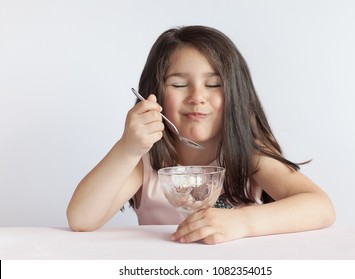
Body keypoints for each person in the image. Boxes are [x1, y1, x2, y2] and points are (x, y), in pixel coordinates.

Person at [67, 25, 335, 244]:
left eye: (214, 84)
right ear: (155, 94)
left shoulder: (248, 156)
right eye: (179, 84)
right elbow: (81, 219)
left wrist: (242, 222)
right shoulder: (145, 161)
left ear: (237, 95)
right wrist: (126, 148)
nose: (197, 97)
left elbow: (321, 207)